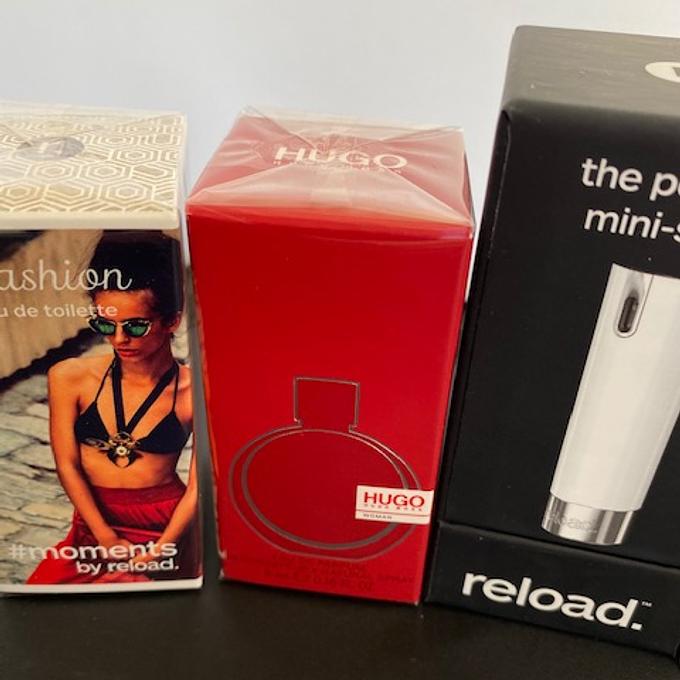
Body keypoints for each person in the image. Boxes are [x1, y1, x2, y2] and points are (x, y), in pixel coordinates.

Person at [27, 232, 199, 584]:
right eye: (105, 325)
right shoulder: (69, 377)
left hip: (167, 528)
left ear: (172, 321)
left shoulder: (194, 390)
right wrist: (104, 537)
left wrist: (162, 550)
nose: (119, 339)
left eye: (136, 326)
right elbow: (67, 464)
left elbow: (199, 487)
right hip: (93, 525)